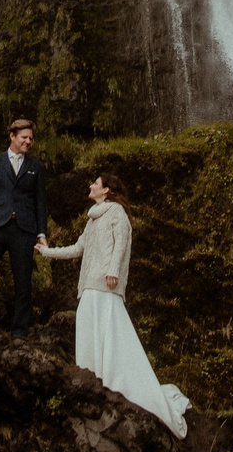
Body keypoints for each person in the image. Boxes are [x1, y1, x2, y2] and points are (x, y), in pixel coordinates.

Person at [38, 173, 189, 437]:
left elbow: (121, 244)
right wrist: (46, 252)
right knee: (88, 331)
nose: (90, 186)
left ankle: (114, 382)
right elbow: (77, 248)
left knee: (112, 334)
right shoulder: (94, 217)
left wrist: (113, 271)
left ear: (106, 190)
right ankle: (92, 381)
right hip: (88, 287)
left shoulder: (117, 213)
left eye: (95, 184)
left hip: (105, 286)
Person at [0, 117, 48, 331]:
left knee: (23, 281)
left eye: (31, 138)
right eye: (24, 137)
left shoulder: (36, 167)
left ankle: (20, 332)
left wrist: (41, 233)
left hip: (24, 230)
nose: (28, 142)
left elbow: (40, 203)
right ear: (12, 137)